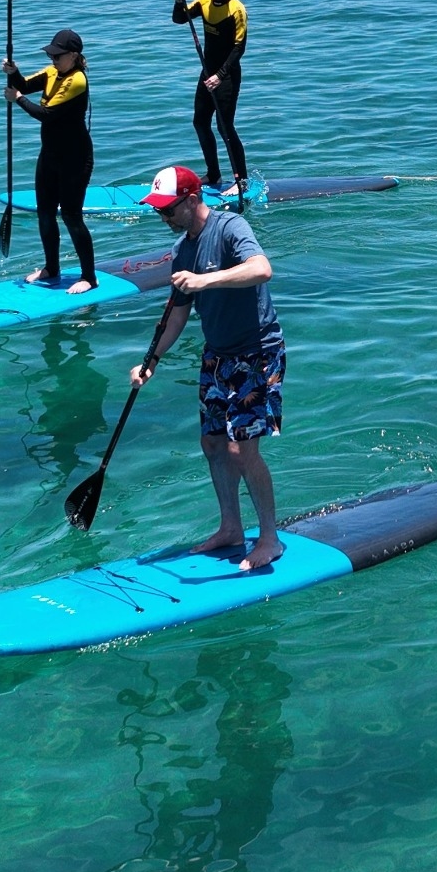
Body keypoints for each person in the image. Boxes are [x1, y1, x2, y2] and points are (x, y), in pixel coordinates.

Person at [131, 163, 286, 570]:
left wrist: (205, 282)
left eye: (167, 210)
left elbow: (261, 269)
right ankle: (231, 528)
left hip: (257, 351)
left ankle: (269, 539)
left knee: (241, 449)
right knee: (213, 444)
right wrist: (151, 362)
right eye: (158, 210)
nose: (162, 218)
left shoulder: (230, 227)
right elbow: (177, 317)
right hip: (217, 355)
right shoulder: (182, 250)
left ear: (193, 200)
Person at [6, 27, 98, 293]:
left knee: (71, 217)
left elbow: (46, 114)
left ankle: (89, 278)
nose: (53, 60)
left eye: (58, 56)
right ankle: (51, 268)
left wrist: (19, 99)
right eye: (51, 56)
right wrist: (15, 73)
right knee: (45, 214)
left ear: (73, 55)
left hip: (75, 159)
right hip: (49, 156)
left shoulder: (77, 80)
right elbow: (23, 85)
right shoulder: (50, 73)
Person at [171, 0, 249, 191]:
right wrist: (178, 2)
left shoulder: (237, 9)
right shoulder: (204, 2)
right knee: (200, 122)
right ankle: (213, 174)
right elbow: (180, 18)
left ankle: (241, 181)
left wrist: (220, 75)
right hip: (207, 73)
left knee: (225, 127)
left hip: (227, 76)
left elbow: (239, 48)